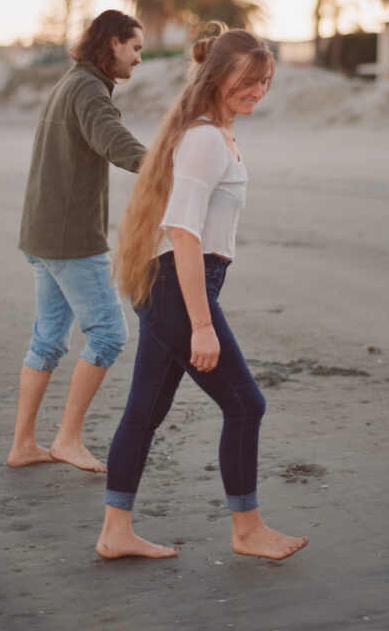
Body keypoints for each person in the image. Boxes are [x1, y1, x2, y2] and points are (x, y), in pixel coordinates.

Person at [96, 28, 308, 560]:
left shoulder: (216, 132)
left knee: (145, 409)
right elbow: (183, 232)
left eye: (264, 82)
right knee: (245, 407)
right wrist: (203, 323)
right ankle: (246, 530)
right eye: (247, 81)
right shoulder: (205, 140)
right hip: (177, 286)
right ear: (216, 77)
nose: (257, 91)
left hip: (176, 284)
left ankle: (114, 532)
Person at [7, 10, 146, 472]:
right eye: (136, 48)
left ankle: (24, 445)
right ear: (113, 44)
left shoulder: (72, 81)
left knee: (47, 340)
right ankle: (67, 439)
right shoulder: (88, 88)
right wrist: (168, 166)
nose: (138, 59)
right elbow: (114, 140)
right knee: (109, 334)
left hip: (43, 233)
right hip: (69, 241)